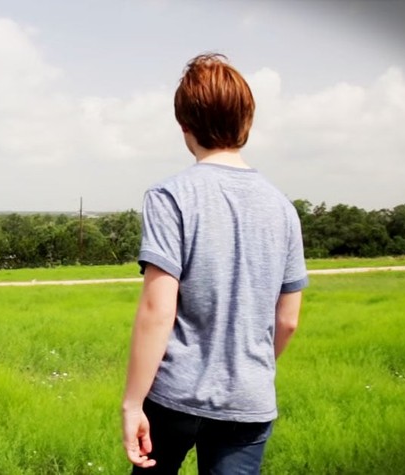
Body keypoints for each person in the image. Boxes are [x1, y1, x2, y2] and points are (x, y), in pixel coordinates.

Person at [121, 53, 309, 474]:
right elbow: (289, 321)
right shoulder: (283, 209)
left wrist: (133, 403)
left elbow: (157, 309)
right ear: (247, 121)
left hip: (173, 397)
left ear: (184, 125)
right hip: (250, 399)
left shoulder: (170, 196)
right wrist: (248, 371)